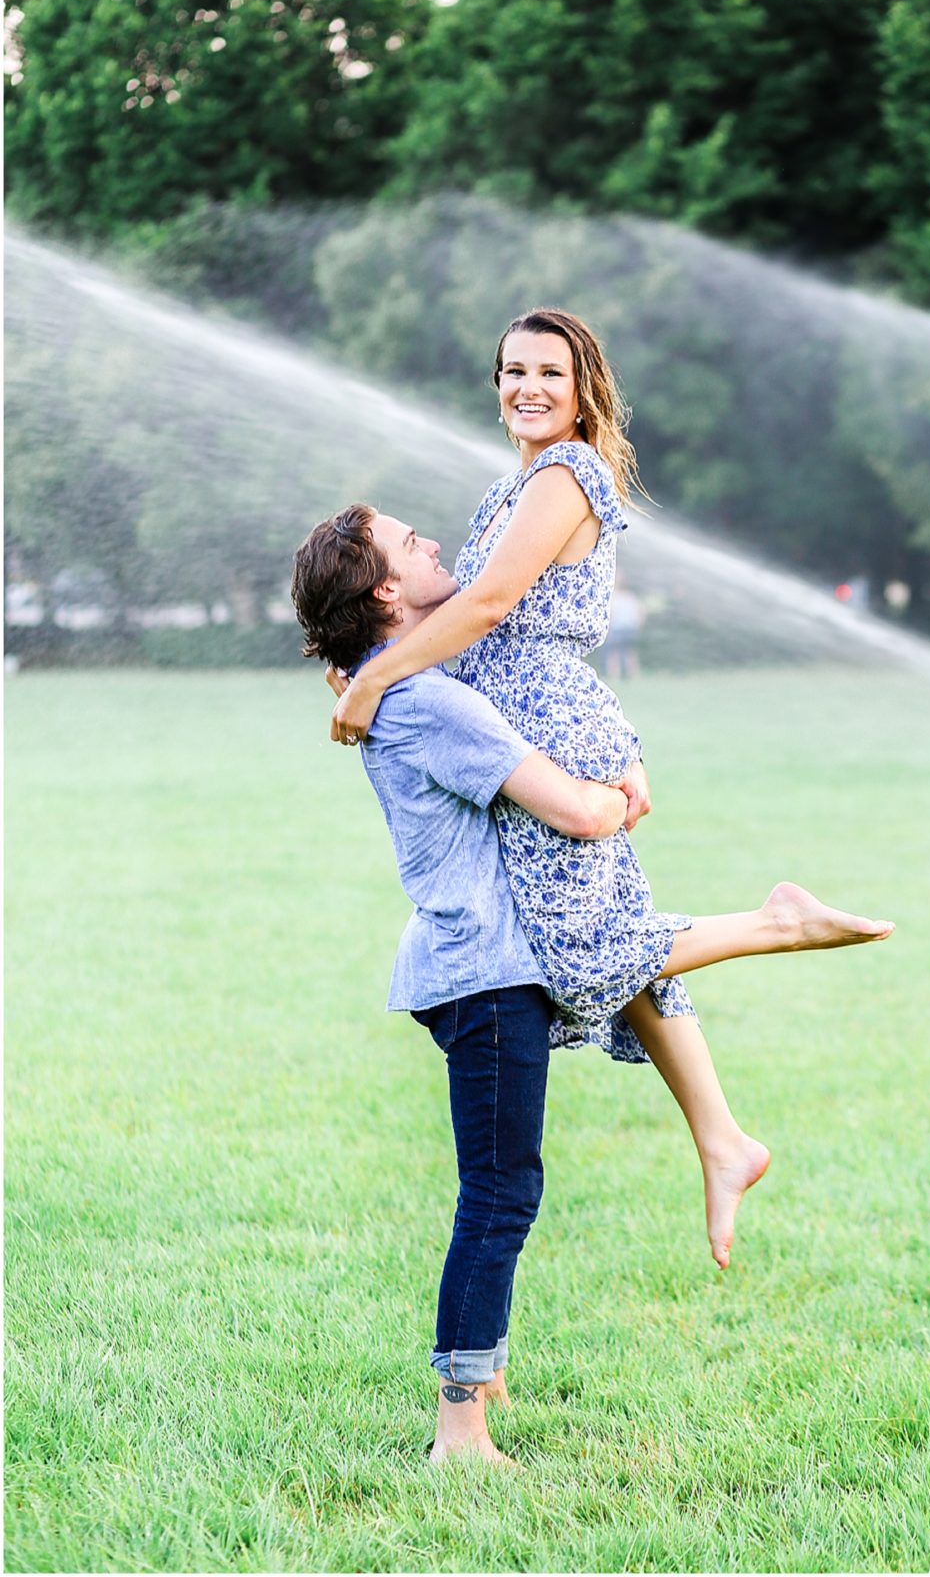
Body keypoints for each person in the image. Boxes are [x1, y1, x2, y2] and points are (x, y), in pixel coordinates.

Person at [329, 307, 894, 1272]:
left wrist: (377, 680)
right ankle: (722, 1140)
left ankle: (777, 923)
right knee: (621, 950)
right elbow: (453, 616)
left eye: (550, 370)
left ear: (583, 388)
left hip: (544, 730)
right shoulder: (512, 485)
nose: (527, 387)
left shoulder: (563, 475)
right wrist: (356, 663)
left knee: (590, 958)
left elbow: (491, 606)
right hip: (546, 723)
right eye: (512, 370)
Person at [292, 503, 629, 1465]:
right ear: (386, 590)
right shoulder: (426, 701)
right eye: (411, 543)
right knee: (498, 1193)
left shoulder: (397, 684)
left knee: (501, 1186)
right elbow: (569, 811)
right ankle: (459, 1427)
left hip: (473, 966)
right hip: (482, 974)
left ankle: (485, 1371)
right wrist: (621, 795)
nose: (434, 542)